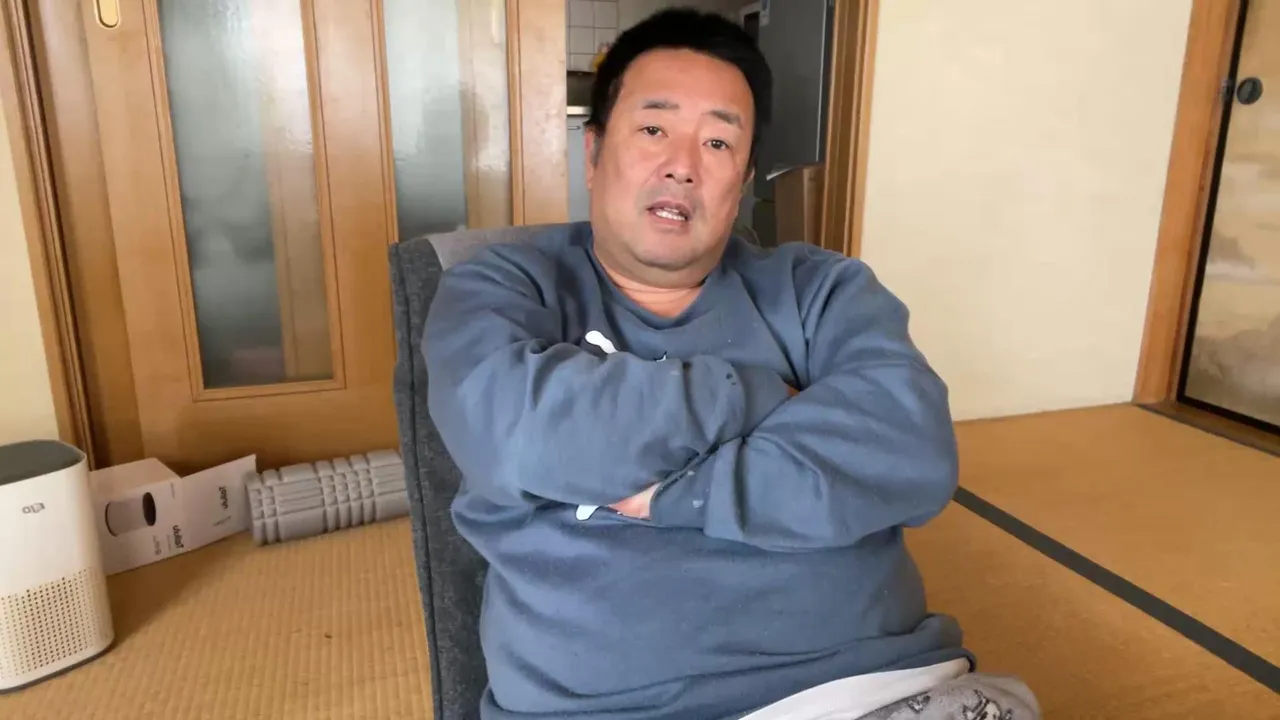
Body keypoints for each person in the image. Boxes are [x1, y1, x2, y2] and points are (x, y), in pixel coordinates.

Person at [424, 9, 1038, 720]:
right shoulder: (501, 285)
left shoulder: (820, 290)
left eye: (718, 141)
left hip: (873, 689)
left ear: (743, 179)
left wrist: (677, 494)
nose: (682, 164)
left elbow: (912, 451)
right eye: (653, 129)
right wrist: (758, 397)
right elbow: (517, 433)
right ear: (593, 153)